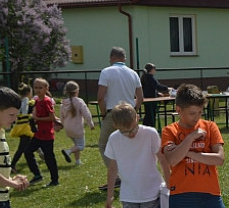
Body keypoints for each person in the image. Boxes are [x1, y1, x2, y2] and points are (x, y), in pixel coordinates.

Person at [104, 104, 168, 208]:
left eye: (134, 128)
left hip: (151, 192)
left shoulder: (150, 133)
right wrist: (109, 195)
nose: (131, 134)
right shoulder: (114, 139)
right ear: (115, 126)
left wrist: (170, 186)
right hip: (129, 195)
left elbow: (163, 160)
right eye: (125, 132)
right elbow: (113, 168)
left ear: (137, 118)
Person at [97, 47, 143, 180]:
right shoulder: (133, 73)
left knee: (104, 145)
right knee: (129, 144)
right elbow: (140, 97)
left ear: (111, 58)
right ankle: (134, 173)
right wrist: (135, 111)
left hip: (114, 112)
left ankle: (117, 176)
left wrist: (103, 112)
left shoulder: (106, 72)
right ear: (124, 59)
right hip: (129, 112)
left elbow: (100, 96)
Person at [23, 77, 60, 187]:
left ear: (46, 88)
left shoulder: (46, 101)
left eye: (40, 87)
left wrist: (37, 119)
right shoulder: (37, 101)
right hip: (39, 134)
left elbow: (52, 117)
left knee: (49, 158)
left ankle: (55, 180)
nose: (38, 90)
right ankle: (37, 175)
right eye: (36, 87)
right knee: (28, 152)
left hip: (47, 135)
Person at [59, 81, 94, 166]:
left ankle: (78, 161)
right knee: (81, 146)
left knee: (76, 145)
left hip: (68, 129)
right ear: (77, 91)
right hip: (77, 129)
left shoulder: (63, 103)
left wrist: (62, 125)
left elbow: (61, 116)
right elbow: (87, 114)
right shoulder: (79, 101)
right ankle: (68, 151)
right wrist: (91, 124)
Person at [8, 83, 33, 174]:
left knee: (33, 142)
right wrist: (28, 114)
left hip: (20, 125)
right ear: (29, 92)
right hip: (25, 126)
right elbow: (25, 111)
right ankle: (12, 164)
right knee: (22, 147)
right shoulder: (26, 100)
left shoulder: (18, 100)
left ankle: (43, 155)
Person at [140, 63, 171, 128]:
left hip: (147, 98)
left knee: (148, 114)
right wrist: (167, 88)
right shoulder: (150, 77)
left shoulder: (145, 77)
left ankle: (144, 127)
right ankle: (150, 128)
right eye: (155, 69)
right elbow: (156, 86)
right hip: (151, 98)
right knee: (151, 115)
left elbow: (149, 88)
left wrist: (157, 93)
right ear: (152, 69)